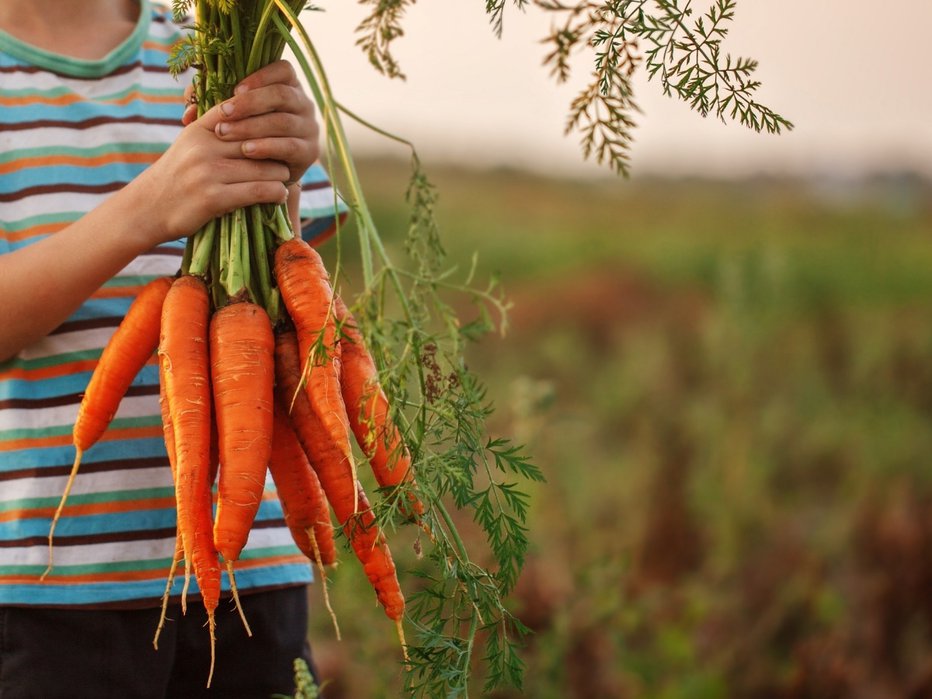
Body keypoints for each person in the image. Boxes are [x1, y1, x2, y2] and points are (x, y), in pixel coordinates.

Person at [0, 1, 343, 695]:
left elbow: (287, 294)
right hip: (53, 588)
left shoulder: (212, 52)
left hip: (252, 568)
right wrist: (148, 207)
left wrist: (288, 163)